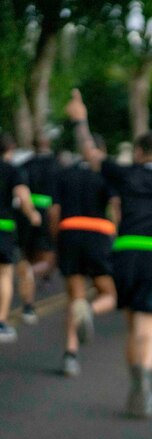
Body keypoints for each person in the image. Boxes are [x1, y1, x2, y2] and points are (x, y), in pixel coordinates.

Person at [66, 89, 152, 418]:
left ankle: (88, 309)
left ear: (138, 152)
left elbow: (90, 152)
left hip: (125, 252)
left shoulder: (125, 173)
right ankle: (145, 377)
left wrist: (80, 120)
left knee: (130, 325)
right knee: (147, 328)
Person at [49, 134, 119, 376]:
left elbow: (54, 211)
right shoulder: (106, 176)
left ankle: (70, 354)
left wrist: (57, 239)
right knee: (109, 293)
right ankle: (90, 310)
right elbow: (115, 208)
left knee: (74, 296)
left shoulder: (65, 174)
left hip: (69, 233)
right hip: (98, 235)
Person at [0, 134, 41, 342]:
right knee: (4, 274)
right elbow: (22, 195)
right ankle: (1, 322)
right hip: (3, 228)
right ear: (11, 148)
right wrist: (32, 214)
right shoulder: (13, 170)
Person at [16, 136, 59, 325]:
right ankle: (34, 272)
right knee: (47, 258)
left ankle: (28, 305)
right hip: (45, 212)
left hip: (24, 212)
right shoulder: (55, 165)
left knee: (27, 256)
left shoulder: (24, 164)